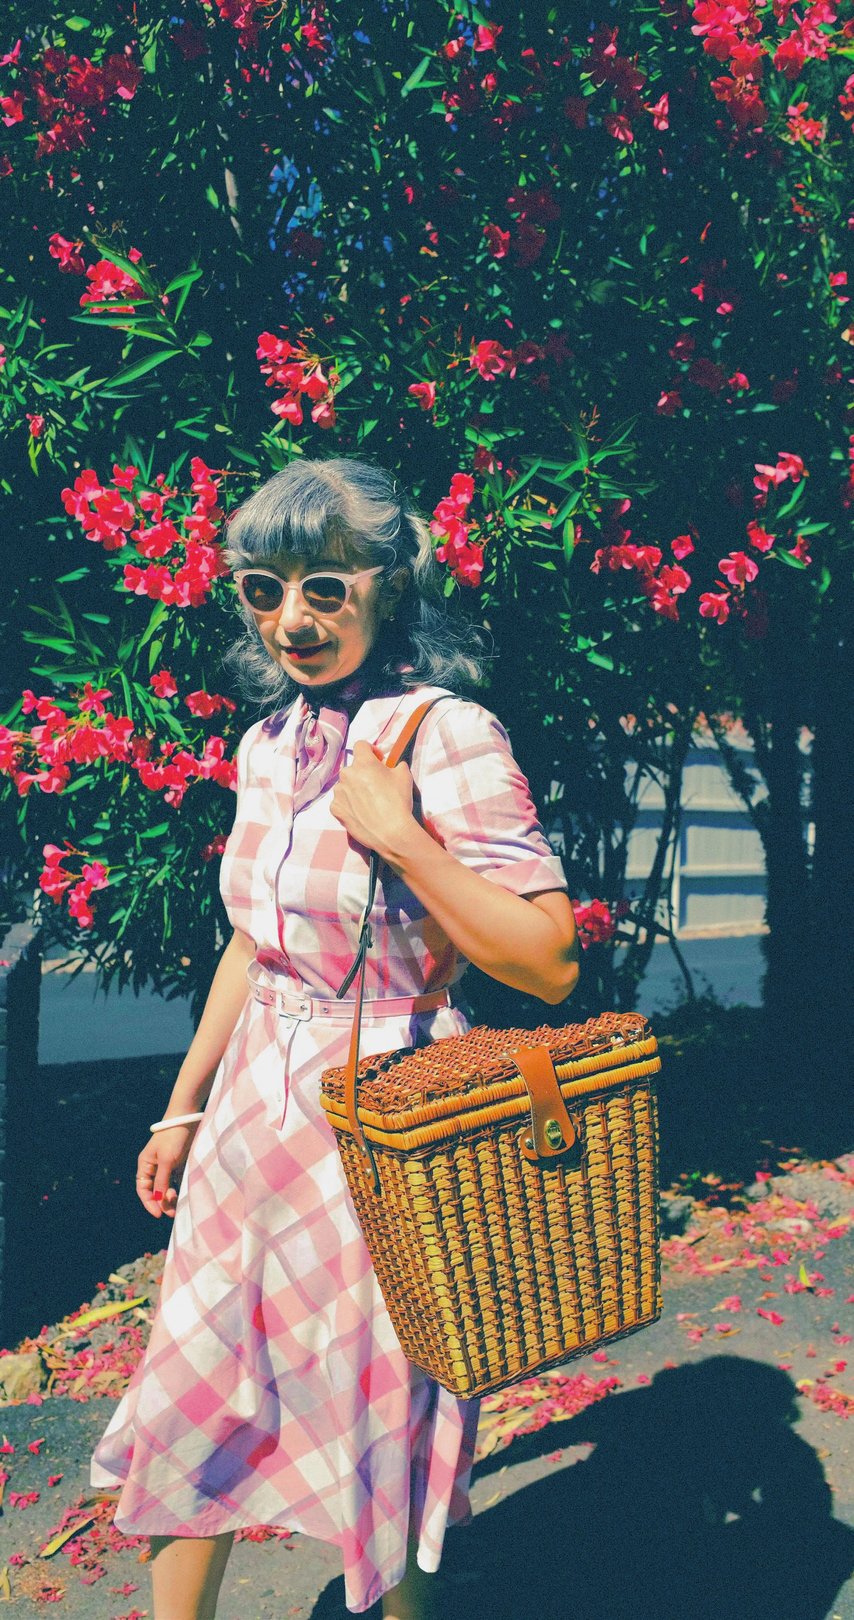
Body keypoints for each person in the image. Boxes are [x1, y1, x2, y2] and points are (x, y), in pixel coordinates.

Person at [90, 457, 580, 1620]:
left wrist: (403, 840)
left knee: (373, 1402)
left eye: (323, 587)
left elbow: (548, 961)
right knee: (194, 1380)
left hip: (382, 1109)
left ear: (387, 584)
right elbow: (254, 942)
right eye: (263, 591)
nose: (291, 621)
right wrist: (183, 1104)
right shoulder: (272, 742)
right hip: (255, 1109)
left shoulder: (444, 736)